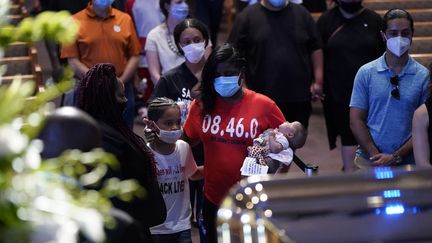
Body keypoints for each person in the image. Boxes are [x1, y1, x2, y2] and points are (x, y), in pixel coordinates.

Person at [182, 43, 286, 242]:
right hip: (213, 198)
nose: (223, 78)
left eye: (230, 72)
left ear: (241, 73)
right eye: (218, 74)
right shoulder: (202, 105)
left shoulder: (264, 105)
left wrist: (276, 178)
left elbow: (287, 145)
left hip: (251, 200)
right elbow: (186, 142)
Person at [76, 63, 167, 242]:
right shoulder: (100, 139)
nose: (125, 101)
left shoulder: (113, 128)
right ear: (106, 99)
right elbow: (112, 202)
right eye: (120, 96)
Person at [149, 17, 210, 242]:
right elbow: (154, 115)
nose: (193, 45)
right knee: (181, 216)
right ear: (179, 45)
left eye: (197, 39)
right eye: (187, 41)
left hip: (210, 154)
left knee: (206, 217)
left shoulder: (217, 77)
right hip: (178, 159)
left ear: (206, 41)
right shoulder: (169, 79)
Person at [349, 8, 430, 168]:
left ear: (412, 35)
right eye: (393, 33)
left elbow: (425, 124)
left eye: (405, 33)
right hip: (369, 160)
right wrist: (376, 155)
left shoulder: (423, 76)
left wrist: (395, 156)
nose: (399, 39)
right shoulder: (366, 72)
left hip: (409, 162)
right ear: (383, 35)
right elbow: (356, 120)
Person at [228, 0, 324, 129]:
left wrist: (318, 80)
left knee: (291, 144)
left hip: (297, 96)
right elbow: (233, 54)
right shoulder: (247, 17)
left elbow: (315, 47)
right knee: (260, 144)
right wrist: (242, 86)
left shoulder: (302, 14)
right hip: (260, 96)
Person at [317, 0, 385, 172]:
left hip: (372, 92)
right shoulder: (326, 21)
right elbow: (317, 54)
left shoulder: (374, 20)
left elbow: (383, 55)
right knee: (348, 137)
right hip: (338, 92)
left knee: (373, 137)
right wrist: (317, 81)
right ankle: (351, 178)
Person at [60, 0, 141, 128]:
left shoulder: (125, 19)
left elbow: (135, 56)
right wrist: (97, 81)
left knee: (125, 136)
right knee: (89, 135)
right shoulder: (73, 21)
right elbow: (72, 60)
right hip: (89, 89)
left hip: (122, 88)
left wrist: (117, 83)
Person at [145, 97, 203, 243]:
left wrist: (218, 168)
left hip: (182, 225)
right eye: (168, 123)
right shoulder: (146, 154)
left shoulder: (184, 147)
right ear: (151, 124)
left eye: (178, 122)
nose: (175, 127)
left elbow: (193, 174)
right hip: (156, 228)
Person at [125, 0, 164, 106]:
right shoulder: (131, 3)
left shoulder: (173, 3)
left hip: (168, 54)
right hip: (144, 58)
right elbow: (129, 31)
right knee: (148, 99)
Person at [145, 0, 189, 85]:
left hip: (195, 92)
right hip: (167, 91)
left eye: (185, 1)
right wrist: (170, 91)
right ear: (167, 6)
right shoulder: (154, 35)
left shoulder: (199, 32)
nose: (184, 5)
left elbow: (206, 68)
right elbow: (154, 75)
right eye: (179, 2)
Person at [242, 121, 307, 174]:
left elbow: (275, 149)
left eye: (289, 123)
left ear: (290, 135)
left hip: (272, 160)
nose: (286, 121)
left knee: (267, 165)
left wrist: (271, 136)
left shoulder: (284, 140)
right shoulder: (278, 134)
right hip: (263, 155)